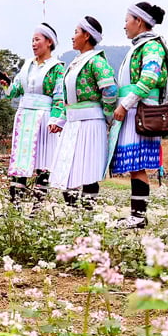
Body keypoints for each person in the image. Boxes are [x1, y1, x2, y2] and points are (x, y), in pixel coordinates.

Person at [108, 2, 168, 229]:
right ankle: (137, 215)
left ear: (139, 21)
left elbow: (149, 78)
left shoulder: (152, 46)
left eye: (127, 19)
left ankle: (138, 217)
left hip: (141, 111)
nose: (124, 25)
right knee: (136, 166)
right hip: (134, 109)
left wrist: (125, 105)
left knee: (138, 165)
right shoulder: (139, 47)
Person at [49, 16, 117, 207]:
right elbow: (67, 98)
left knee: (88, 169)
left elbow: (110, 89)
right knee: (67, 168)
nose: (72, 37)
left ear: (86, 35)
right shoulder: (74, 63)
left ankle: (87, 212)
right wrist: (59, 120)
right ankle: (73, 209)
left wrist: (107, 115)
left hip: (90, 122)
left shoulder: (96, 61)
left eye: (76, 32)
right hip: (72, 123)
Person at [2, 23, 65, 203]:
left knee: (43, 162)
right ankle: (15, 206)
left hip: (44, 118)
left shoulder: (57, 67)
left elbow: (59, 96)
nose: (33, 44)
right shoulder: (27, 65)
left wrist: (56, 119)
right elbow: (15, 91)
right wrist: (6, 83)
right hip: (24, 116)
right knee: (20, 160)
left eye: (37, 40)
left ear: (49, 42)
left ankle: (36, 208)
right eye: (32, 40)